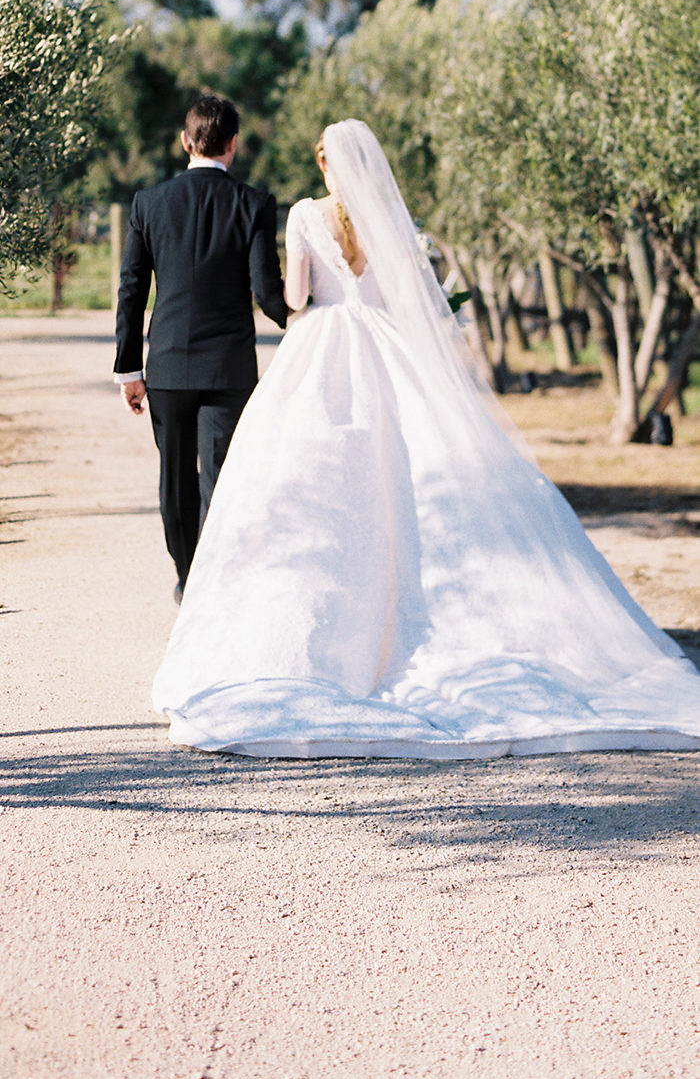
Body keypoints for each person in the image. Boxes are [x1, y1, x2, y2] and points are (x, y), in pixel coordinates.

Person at [153, 119, 700, 757]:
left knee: (315, 489)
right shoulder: (394, 223)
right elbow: (409, 301)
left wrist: (300, 294)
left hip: (323, 350)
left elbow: (296, 296)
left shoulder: (304, 214)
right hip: (389, 352)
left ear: (326, 165)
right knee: (414, 475)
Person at [114, 91, 287, 600]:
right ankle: (215, 581)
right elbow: (268, 293)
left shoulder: (149, 202)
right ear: (233, 144)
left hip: (165, 367)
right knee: (221, 478)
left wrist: (129, 369)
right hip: (228, 370)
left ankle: (188, 578)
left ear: (185, 141)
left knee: (174, 480)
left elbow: (130, 289)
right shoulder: (254, 204)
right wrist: (310, 318)